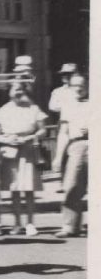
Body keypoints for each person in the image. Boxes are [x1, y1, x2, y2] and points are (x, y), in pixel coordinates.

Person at [0, 81, 47, 236]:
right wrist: (8, 140)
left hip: (28, 151)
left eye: (21, 89)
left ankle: (30, 223)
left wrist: (32, 136)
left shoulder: (33, 108)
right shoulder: (2, 111)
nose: (18, 92)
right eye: (15, 89)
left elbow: (43, 130)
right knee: (14, 189)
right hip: (10, 151)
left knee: (29, 189)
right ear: (9, 91)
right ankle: (16, 224)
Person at [55, 73, 88, 238]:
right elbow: (63, 132)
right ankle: (70, 226)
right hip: (76, 145)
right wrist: (58, 156)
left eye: (82, 85)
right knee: (72, 186)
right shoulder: (67, 106)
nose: (79, 88)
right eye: (75, 85)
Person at [49, 63, 78, 177]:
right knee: (63, 150)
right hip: (64, 122)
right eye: (64, 74)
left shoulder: (80, 88)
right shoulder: (58, 91)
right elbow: (53, 106)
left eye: (68, 74)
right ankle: (63, 179)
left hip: (79, 122)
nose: (65, 76)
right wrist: (67, 105)